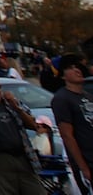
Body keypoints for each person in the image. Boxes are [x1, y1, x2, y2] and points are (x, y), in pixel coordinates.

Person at [0, 71, 49, 195]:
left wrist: (16, 107)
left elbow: (33, 125)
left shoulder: (11, 101)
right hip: (0, 159)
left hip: (23, 156)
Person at [51, 55, 93, 195]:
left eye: (77, 67)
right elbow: (67, 135)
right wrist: (83, 168)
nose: (76, 70)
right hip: (86, 159)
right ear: (62, 76)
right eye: (70, 68)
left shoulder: (88, 96)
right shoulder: (62, 99)